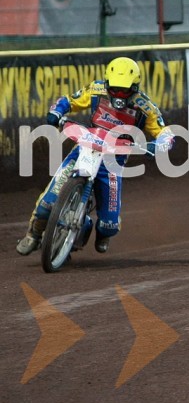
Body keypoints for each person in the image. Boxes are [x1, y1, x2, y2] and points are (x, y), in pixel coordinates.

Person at [16, 57, 175, 256]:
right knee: (47, 202)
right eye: (115, 88)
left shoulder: (145, 107)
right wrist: (57, 112)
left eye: (124, 90)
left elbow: (165, 131)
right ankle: (34, 234)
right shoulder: (96, 89)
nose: (118, 94)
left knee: (109, 224)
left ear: (135, 87)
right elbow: (69, 100)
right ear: (107, 82)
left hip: (113, 160)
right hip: (85, 147)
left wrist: (159, 145)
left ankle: (101, 233)